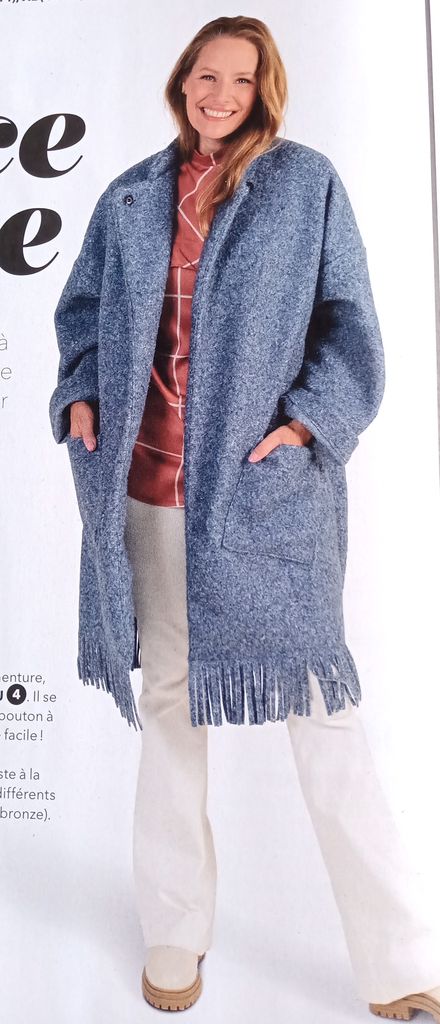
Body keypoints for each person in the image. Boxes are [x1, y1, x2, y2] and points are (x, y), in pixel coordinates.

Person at [49, 14, 440, 1019]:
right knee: (169, 710)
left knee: (324, 717)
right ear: (181, 81)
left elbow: (352, 330)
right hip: (145, 494)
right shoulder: (130, 195)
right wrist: (80, 396)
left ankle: (397, 961)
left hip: (262, 502)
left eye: (240, 79)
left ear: (265, 90)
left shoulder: (305, 187)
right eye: (205, 75)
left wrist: (305, 426)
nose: (219, 94)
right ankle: (173, 932)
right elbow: (81, 315)